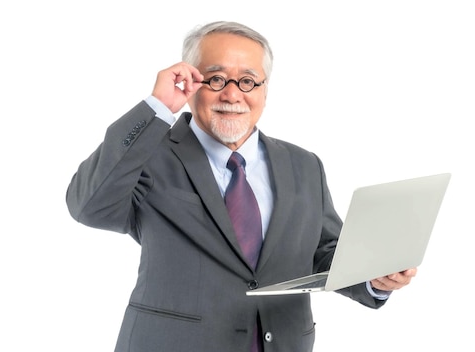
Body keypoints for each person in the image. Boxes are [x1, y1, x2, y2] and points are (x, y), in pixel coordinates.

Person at [66, 20, 417, 352]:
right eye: (216, 79)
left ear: (264, 90)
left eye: (248, 81)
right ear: (190, 84)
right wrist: (157, 107)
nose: (233, 95)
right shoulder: (149, 156)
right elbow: (89, 206)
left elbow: (324, 253)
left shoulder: (304, 164)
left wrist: (374, 276)